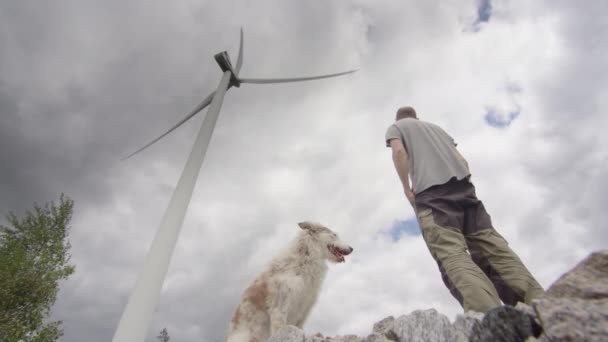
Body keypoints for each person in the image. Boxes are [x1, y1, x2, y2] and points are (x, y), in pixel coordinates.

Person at [385, 106, 544, 313]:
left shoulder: (396, 127)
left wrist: (407, 188)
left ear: (398, 119)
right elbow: (463, 162)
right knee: (493, 249)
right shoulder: (437, 129)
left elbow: (398, 152)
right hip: (465, 191)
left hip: (433, 197)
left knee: (451, 252)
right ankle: (539, 306)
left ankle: (488, 316)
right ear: (417, 117)